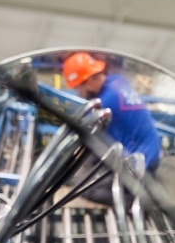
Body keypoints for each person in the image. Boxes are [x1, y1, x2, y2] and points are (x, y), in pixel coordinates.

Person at [62, 52, 162, 203]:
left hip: (141, 163)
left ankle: (137, 201)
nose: (78, 93)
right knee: (90, 160)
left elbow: (90, 138)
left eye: (78, 87)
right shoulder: (117, 81)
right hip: (152, 150)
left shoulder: (104, 105)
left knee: (83, 189)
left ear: (89, 81)